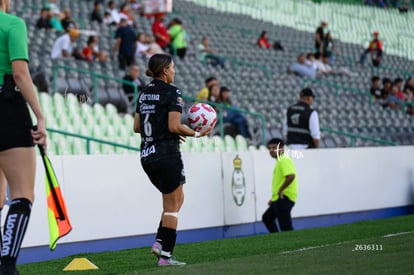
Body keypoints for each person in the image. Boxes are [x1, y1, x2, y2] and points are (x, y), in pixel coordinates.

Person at [133, 54, 211, 266]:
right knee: (172, 206)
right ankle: (166, 256)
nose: (175, 71)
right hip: (167, 154)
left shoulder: (143, 93)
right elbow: (174, 126)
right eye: (173, 67)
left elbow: (137, 127)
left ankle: (160, 241)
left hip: (147, 155)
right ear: (165, 70)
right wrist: (197, 134)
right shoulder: (172, 92)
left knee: (177, 199)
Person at [0, 1, 47, 274]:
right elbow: (20, 73)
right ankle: (7, 267)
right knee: (22, 195)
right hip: (7, 107)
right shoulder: (12, 24)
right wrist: (39, 116)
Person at [262, 138, 298, 233]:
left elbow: (291, 176)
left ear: (282, 148)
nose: (271, 150)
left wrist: (281, 190)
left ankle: (291, 244)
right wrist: (273, 197)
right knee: (267, 218)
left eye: (274, 147)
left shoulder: (283, 160)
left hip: (284, 197)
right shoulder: (280, 160)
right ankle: (278, 239)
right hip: (279, 198)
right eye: (269, 148)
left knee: (285, 227)